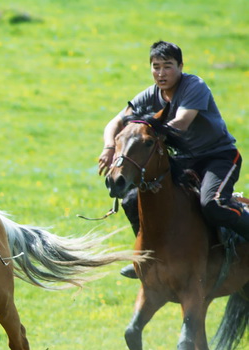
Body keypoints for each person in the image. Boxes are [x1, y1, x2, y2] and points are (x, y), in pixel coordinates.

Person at [98, 40, 244, 278]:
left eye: (168, 66)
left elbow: (182, 122)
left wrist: (147, 132)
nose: (161, 73)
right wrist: (109, 148)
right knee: (131, 200)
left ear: (180, 66)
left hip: (218, 158)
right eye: (156, 66)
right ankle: (147, 256)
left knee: (212, 205)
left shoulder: (194, 85)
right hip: (184, 161)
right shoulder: (150, 94)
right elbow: (115, 123)